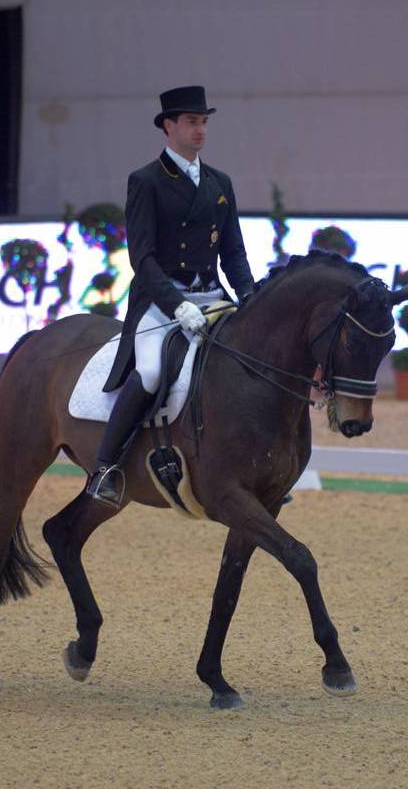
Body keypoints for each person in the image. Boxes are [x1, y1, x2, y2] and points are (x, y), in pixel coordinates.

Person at [87, 85, 256, 507]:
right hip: (162, 301)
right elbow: (141, 258)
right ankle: (106, 466)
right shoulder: (145, 181)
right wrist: (176, 305)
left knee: (245, 365)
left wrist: (250, 296)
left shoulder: (220, 182)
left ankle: (251, 465)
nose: (200, 130)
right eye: (191, 122)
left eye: (204, 122)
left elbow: (233, 250)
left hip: (213, 296)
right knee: (150, 372)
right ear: (169, 126)